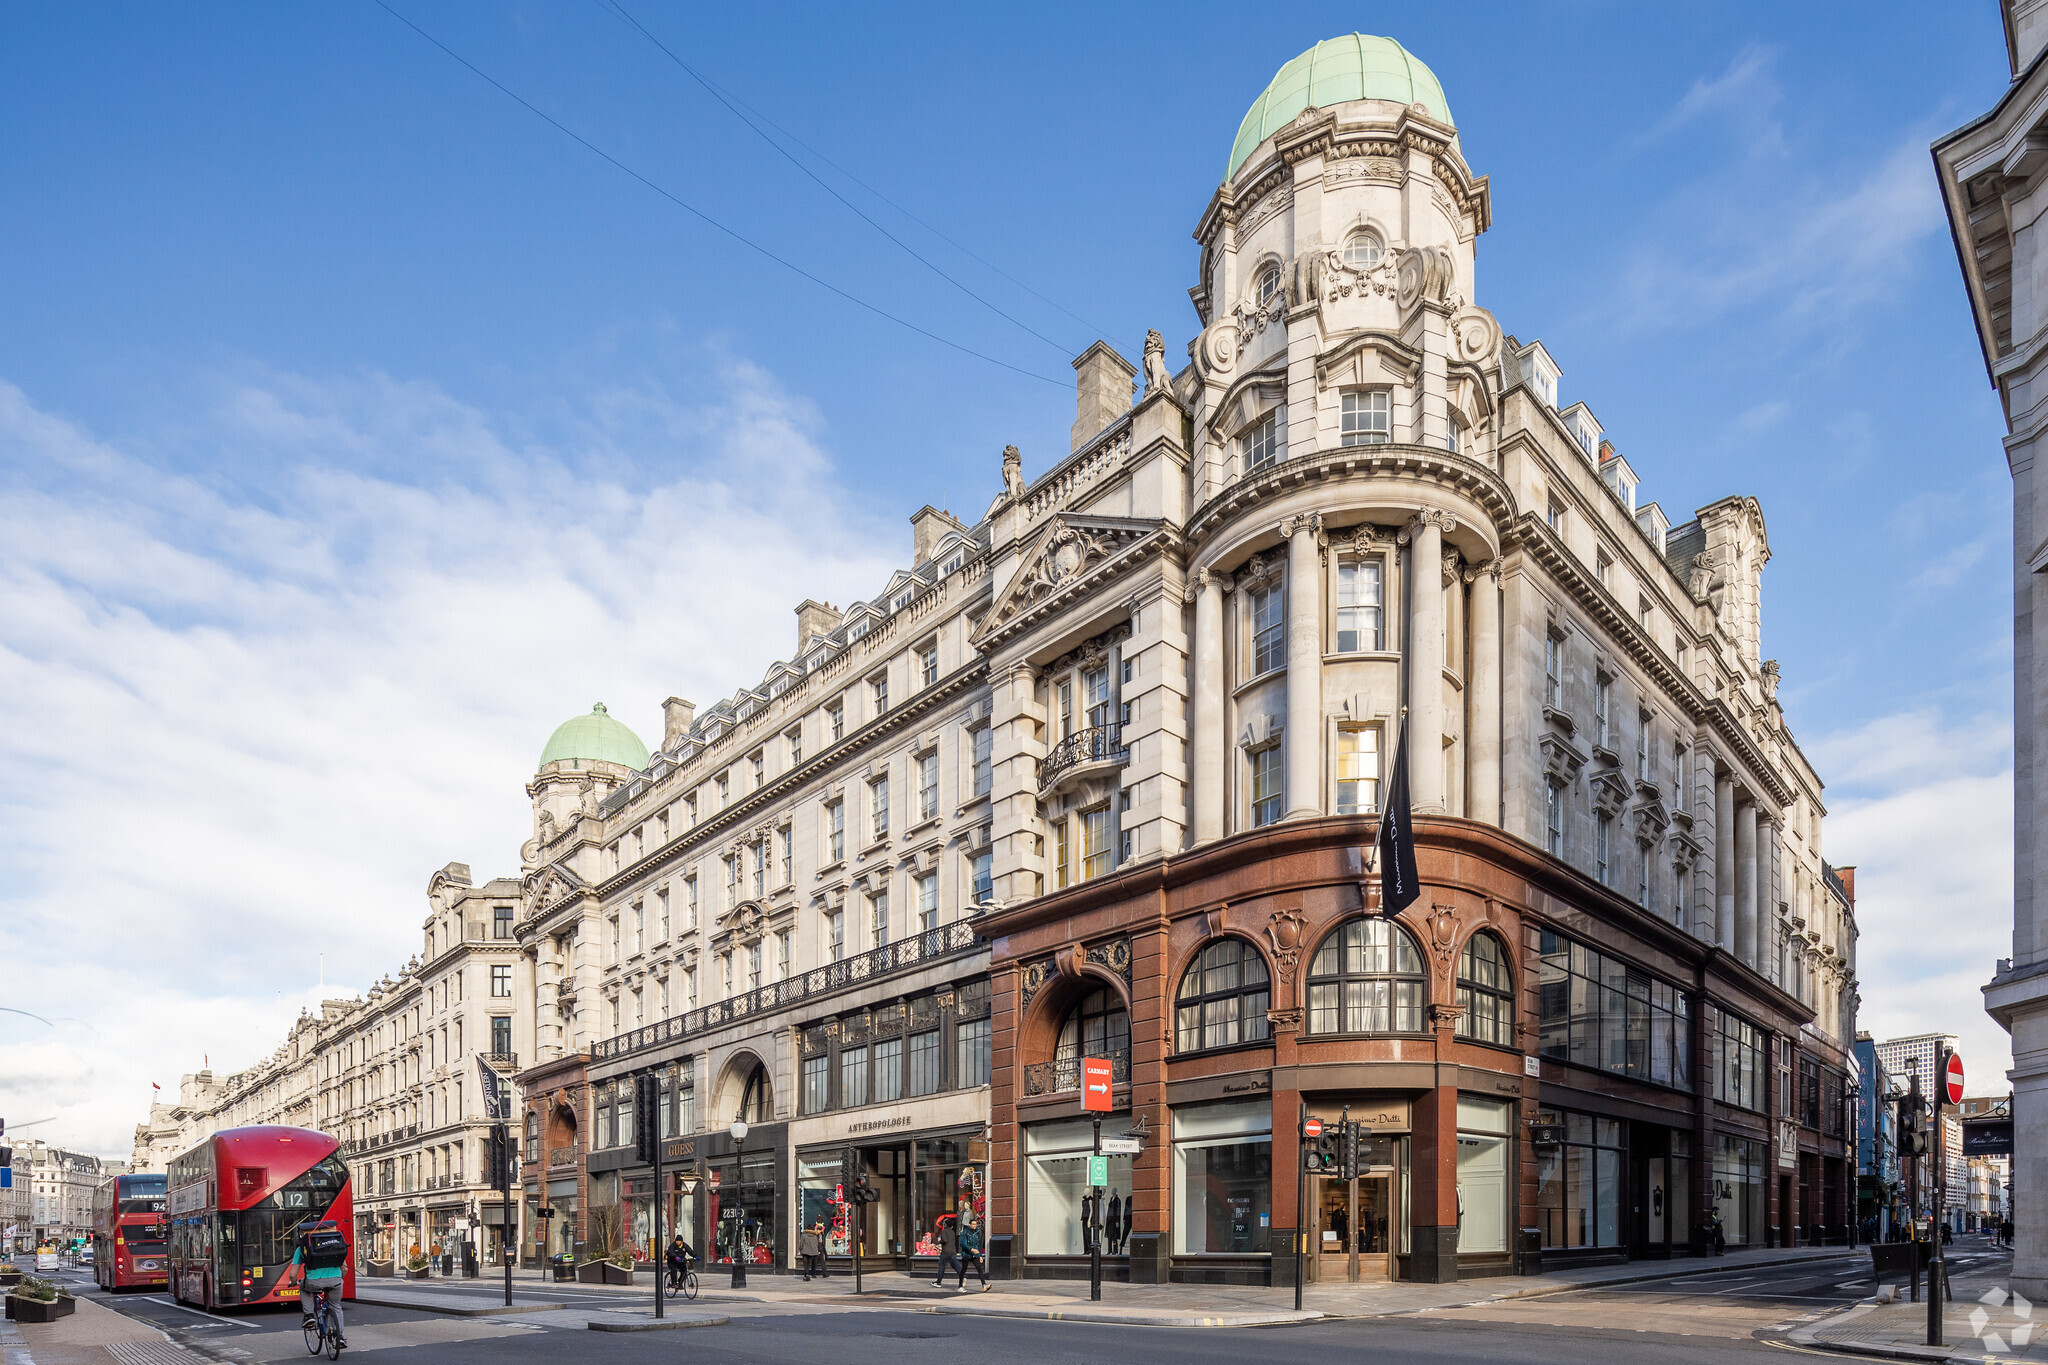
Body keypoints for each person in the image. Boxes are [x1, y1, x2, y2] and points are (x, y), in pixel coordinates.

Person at [289, 1220, 349, 1348]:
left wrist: (293, 1282)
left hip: (313, 1282)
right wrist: (339, 1279)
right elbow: (344, 1269)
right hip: (336, 1281)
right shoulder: (335, 1244)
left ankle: (310, 1316)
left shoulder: (302, 1248)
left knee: (304, 1289)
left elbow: (293, 1275)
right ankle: (340, 1337)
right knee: (336, 1306)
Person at [956, 1217, 990, 1291]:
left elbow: (979, 1245)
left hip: (975, 1254)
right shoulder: (965, 1232)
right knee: (963, 1269)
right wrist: (971, 1249)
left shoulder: (979, 1233)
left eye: (975, 1224)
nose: (974, 1226)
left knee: (979, 1269)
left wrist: (980, 1255)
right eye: (973, 1224)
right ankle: (960, 1286)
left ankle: (984, 1285)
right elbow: (962, 1244)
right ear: (970, 1225)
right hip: (967, 1254)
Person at [933, 1215, 963, 1287]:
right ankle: (963, 1277)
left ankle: (938, 1282)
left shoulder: (944, 1231)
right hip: (953, 1251)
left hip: (945, 1252)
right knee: (956, 1265)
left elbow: (945, 1240)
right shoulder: (952, 1232)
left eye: (944, 1224)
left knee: (942, 1266)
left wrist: (940, 1240)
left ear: (945, 1225)